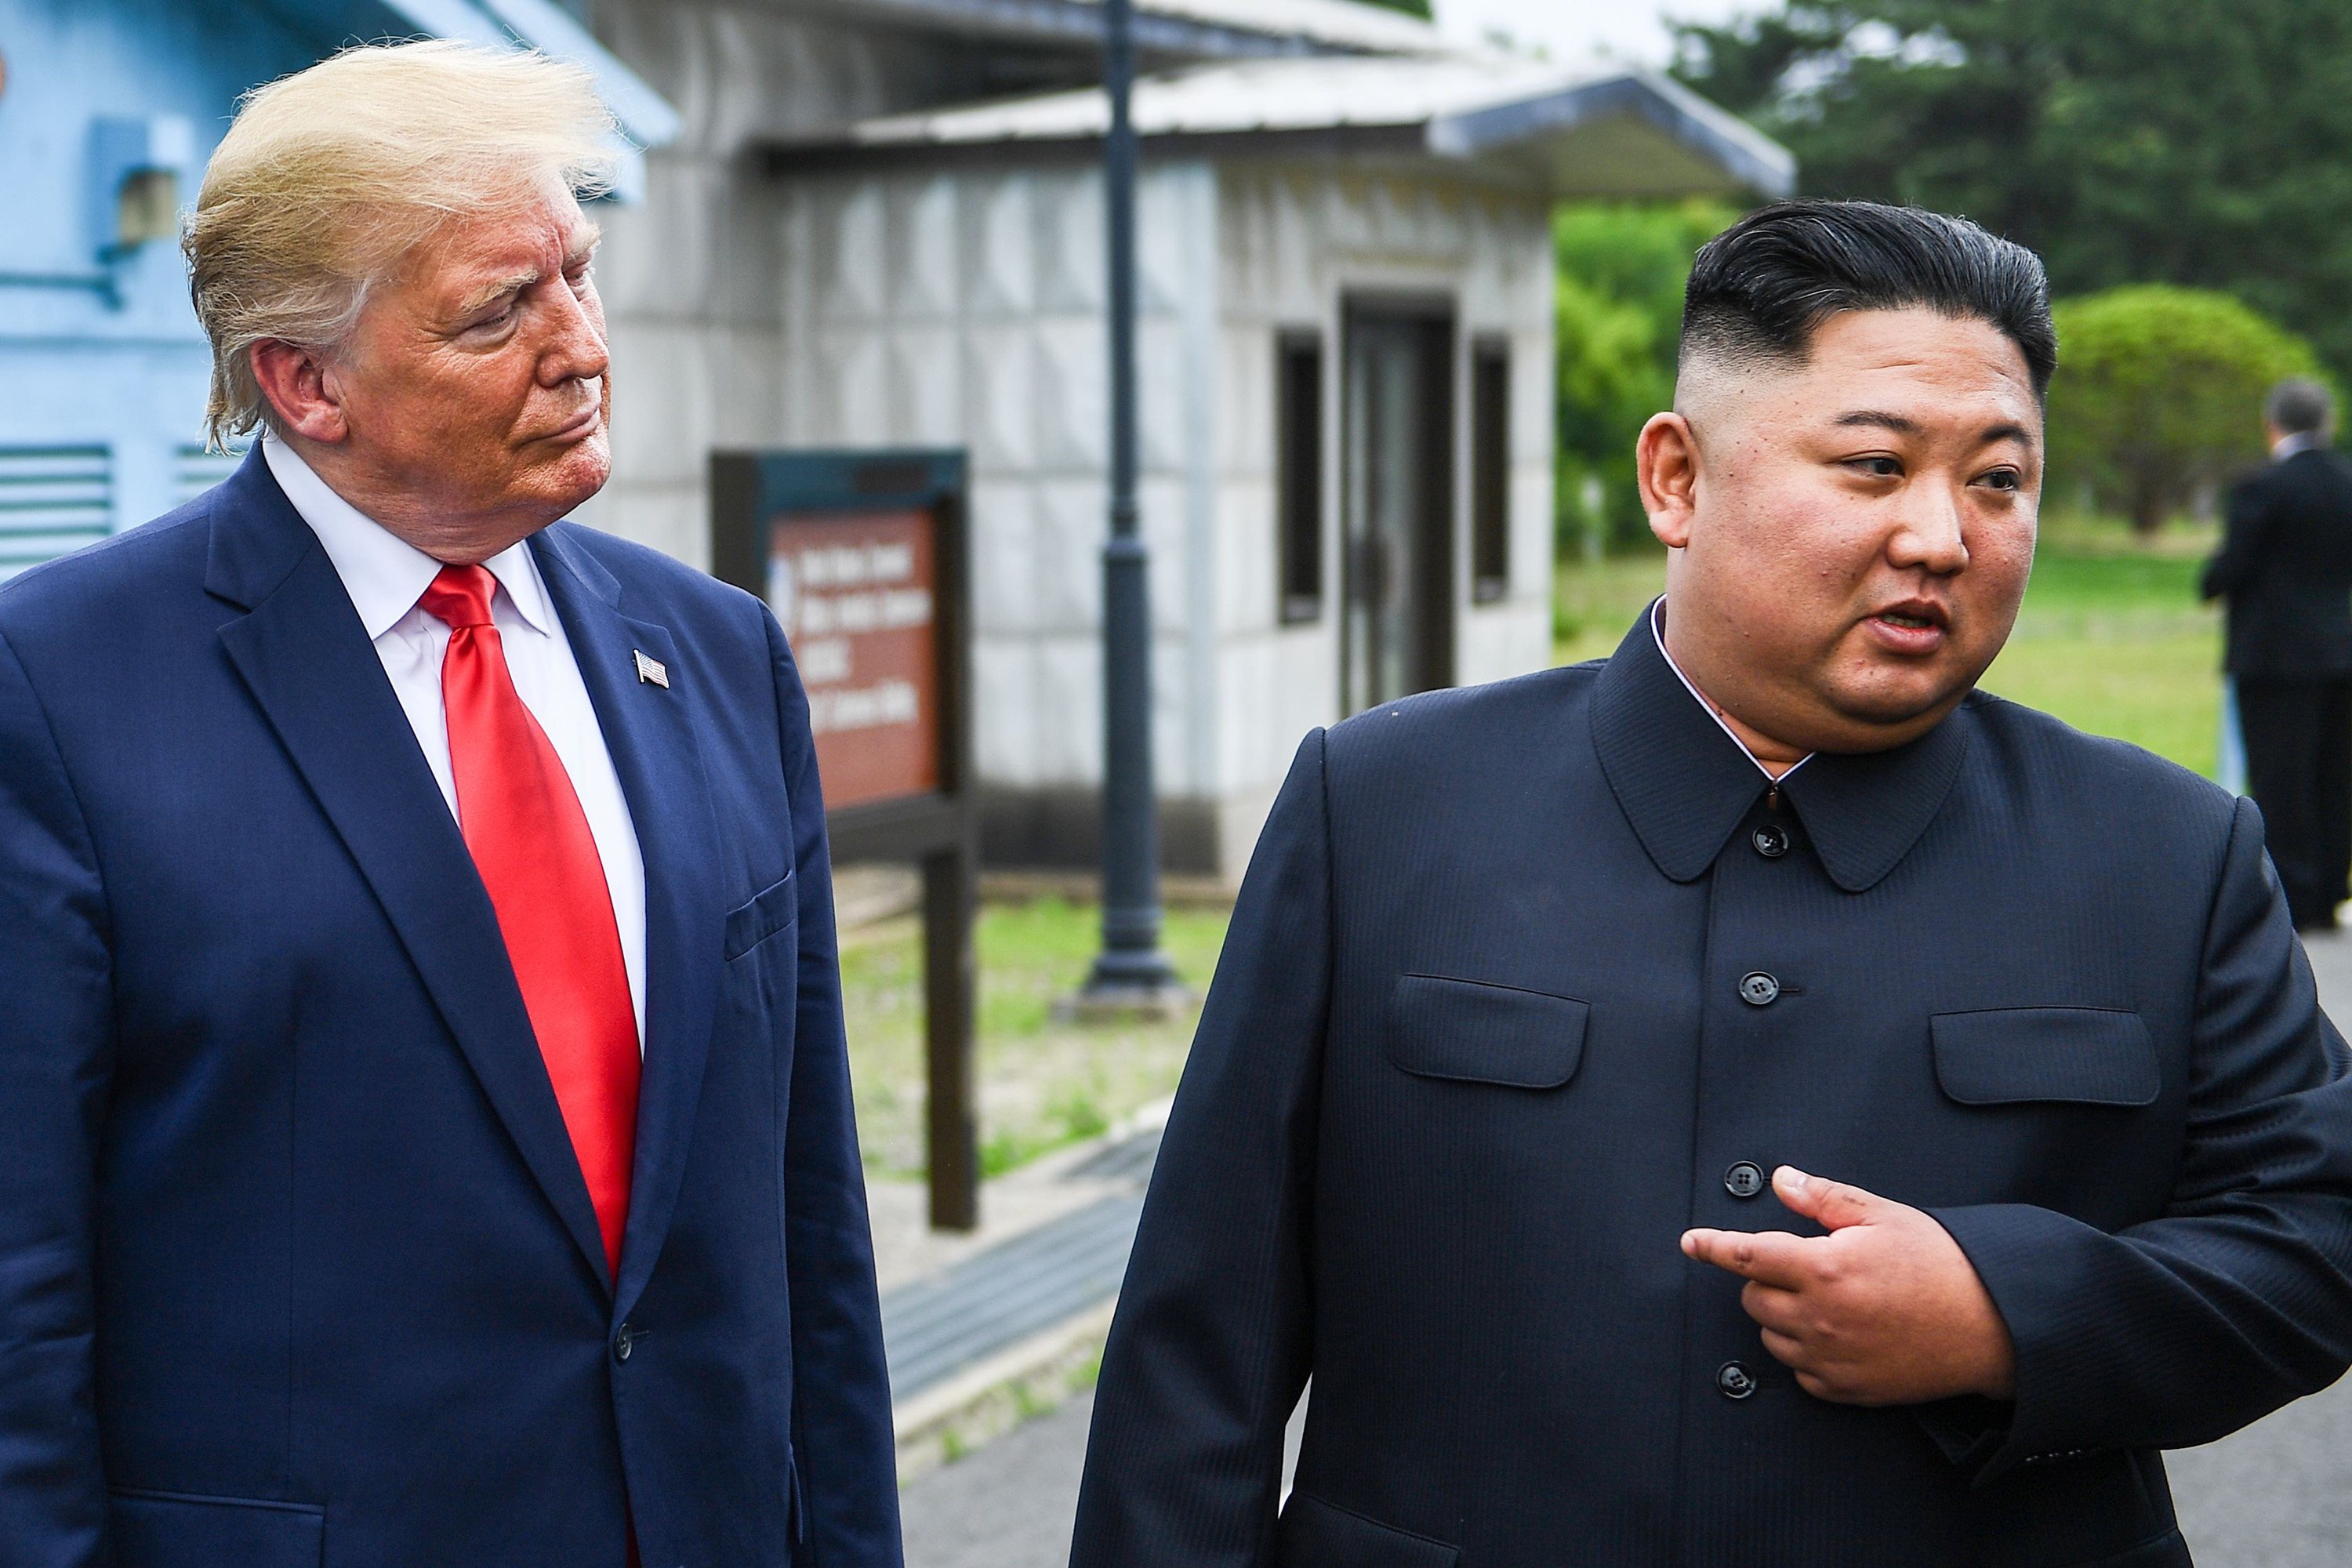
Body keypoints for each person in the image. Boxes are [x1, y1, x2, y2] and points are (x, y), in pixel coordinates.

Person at [1068, 201, 2352, 1568]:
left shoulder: (2167, 855)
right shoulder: (1381, 808)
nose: (1942, 536)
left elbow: (2317, 1238)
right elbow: (1198, 1350)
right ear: (1677, 479)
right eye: (1875, 466)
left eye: (1996, 480)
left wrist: (2005, 1315)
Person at [0, 43, 899, 1567]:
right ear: (305, 382)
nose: (581, 347)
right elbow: (20, 1296)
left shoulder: (717, 652)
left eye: (580, 274)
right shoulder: (59, 691)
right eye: (499, 312)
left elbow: (814, 1222)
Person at [2201, 378, 2352, 930]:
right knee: (2335, 774)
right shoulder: (2347, 483)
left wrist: (2211, 581)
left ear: (2272, 425)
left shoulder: (2263, 487)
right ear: (2328, 423)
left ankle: (2294, 895)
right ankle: (2331, 891)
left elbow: (2231, 567)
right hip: (2343, 651)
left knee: (2280, 776)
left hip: (2274, 656)